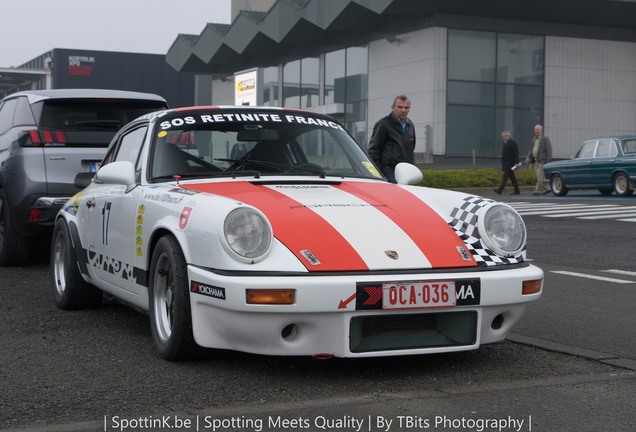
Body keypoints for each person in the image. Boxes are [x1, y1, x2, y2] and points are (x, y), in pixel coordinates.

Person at [367, 95, 416, 183]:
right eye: (400, 107)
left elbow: (411, 148)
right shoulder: (383, 124)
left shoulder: (410, 125)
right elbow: (373, 150)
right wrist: (378, 172)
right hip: (388, 169)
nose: (403, 110)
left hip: (405, 170)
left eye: (406, 108)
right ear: (392, 107)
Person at [525, 124, 553, 195]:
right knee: (540, 176)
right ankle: (548, 188)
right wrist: (528, 157)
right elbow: (531, 149)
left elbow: (549, 150)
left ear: (541, 130)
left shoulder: (545, 139)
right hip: (536, 160)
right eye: (535, 130)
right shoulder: (534, 138)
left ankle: (537, 190)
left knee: (539, 176)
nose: (536, 131)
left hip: (542, 161)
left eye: (537, 130)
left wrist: (547, 161)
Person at [493, 130, 521, 195]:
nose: (505, 137)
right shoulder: (505, 143)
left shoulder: (513, 143)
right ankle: (517, 190)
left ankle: (500, 190)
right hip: (506, 163)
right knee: (512, 177)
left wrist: (517, 162)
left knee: (505, 177)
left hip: (510, 163)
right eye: (504, 136)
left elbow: (516, 153)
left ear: (509, 136)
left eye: (506, 136)